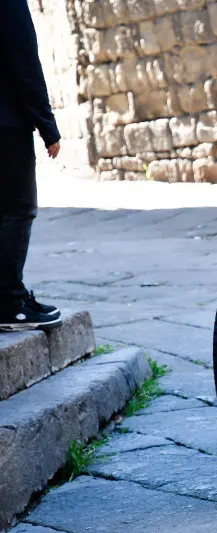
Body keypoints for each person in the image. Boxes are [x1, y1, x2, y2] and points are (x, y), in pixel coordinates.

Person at [0, 0, 63, 332]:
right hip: (5, 124)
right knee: (17, 208)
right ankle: (10, 303)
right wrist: (47, 126)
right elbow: (24, 61)